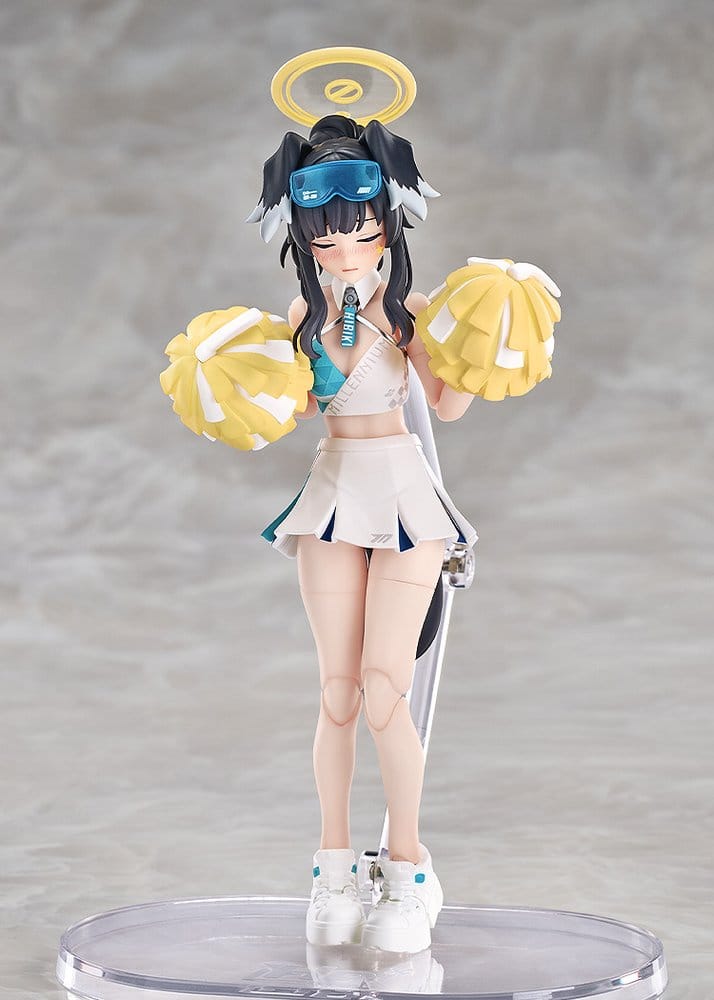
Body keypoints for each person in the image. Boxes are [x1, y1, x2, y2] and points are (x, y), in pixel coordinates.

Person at [250, 114, 479, 954]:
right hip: (333, 493)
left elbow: (447, 406)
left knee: (387, 690)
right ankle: (334, 865)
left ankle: (409, 867)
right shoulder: (301, 315)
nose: (346, 255)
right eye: (326, 243)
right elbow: (291, 411)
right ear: (304, 243)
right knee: (338, 692)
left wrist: (485, 353)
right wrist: (237, 388)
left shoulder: (409, 313)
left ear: (388, 227)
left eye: (361, 236)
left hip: (405, 497)